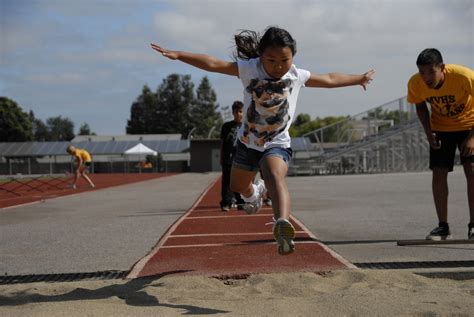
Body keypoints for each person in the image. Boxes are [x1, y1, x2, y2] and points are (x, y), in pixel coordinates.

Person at [151, 26, 374, 254]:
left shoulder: (296, 75)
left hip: (277, 143)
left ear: (292, 57)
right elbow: (213, 64)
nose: (278, 66)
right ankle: (253, 195)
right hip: (248, 143)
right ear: (260, 56)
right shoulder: (249, 69)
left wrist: (358, 79)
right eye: (271, 60)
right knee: (237, 186)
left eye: (284, 60)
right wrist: (179, 55)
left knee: (274, 175)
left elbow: (328, 78)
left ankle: (282, 225)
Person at [407, 48, 474, 240]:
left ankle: (473, 226)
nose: (426, 77)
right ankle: (443, 227)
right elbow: (419, 105)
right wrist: (429, 133)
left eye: (431, 72)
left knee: (472, 170)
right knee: (438, 172)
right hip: (441, 128)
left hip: (469, 125)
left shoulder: (464, 76)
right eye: (422, 72)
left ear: (442, 68)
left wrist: (472, 137)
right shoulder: (415, 83)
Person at [220, 101, 245, 211]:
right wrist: (221, 156)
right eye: (237, 112)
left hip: (241, 158)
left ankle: (240, 201)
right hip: (228, 158)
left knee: (240, 181)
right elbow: (222, 142)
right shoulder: (226, 126)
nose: (239, 114)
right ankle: (226, 202)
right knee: (227, 181)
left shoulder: (246, 127)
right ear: (233, 113)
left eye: (241, 112)